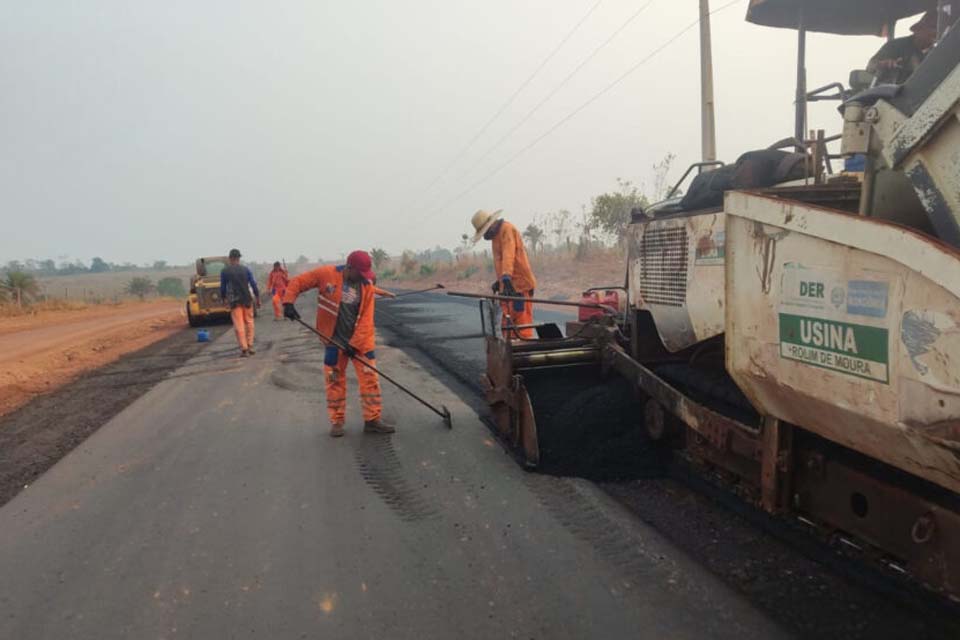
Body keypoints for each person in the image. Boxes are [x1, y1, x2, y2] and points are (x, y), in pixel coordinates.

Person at [282, 250, 395, 437]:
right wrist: (288, 302)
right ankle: (336, 422)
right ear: (349, 267)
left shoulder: (366, 284)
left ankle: (372, 420)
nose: (363, 278)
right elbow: (298, 282)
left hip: (361, 343)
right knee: (334, 380)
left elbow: (367, 320)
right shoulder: (326, 274)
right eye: (360, 273)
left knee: (370, 380)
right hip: (333, 340)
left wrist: (354, 344)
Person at [470, 209, 537, 339]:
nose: (486, 235)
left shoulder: (507, 230)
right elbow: (501, 261)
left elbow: (509, 254)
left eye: (485, 231)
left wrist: (505, 276)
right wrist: (500, 281)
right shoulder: (495, 237)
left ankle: (524, 353)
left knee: (522, 326)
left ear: (491, 225)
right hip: (507, 287)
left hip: (520, 287)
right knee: (507, 325)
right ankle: (509, 353)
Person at [867, 10, 939, 85]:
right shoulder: (895, 46)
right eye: (933, 27)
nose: (936, 32)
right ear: (917, 29)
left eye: (938, 29)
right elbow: (870, 66)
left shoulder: (937, 53)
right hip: (893, 93)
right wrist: (884, 64)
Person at [220, 248, 261, 357]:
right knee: (250, 322)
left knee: (239, 325)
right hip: (247, 299)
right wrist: (257, 297)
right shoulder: (246, 269)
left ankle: (244, 349)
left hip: (234, 301)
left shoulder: (225, 271)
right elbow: (253, 284)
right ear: (239, 258)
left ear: (230, 259)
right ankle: (250, 345)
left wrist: (223, 298)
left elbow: (223, 287)